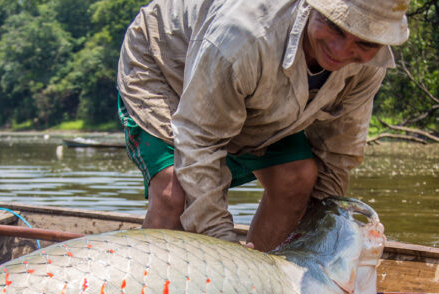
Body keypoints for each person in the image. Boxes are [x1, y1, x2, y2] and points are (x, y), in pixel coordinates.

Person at [117, 0, 410, 251]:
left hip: (250, 85)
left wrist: (319, 246)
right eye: (334, 26)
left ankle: (260, 293)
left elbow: (336, 157)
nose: (340, 50)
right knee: (174, 193)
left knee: (298, 177)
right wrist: (223, 246)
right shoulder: (244, 37)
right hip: (166, 64)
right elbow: (200, 141)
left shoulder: (368, 67)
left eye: (364, 42)